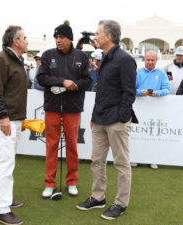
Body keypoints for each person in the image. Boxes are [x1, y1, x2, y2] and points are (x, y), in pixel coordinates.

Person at [77, 20, 138, 220]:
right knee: (96, 160)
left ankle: (120, 203)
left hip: (117, 120)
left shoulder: (125, 59)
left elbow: (129, 92)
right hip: (100, 118)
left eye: (97, 33)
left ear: (109, 36)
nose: (95, 37)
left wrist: (122, 117)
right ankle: (98, 197)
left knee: (121, 163)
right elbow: (101, 90)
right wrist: (94, 116)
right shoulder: (104, 58)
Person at [37, 23, 92, 198]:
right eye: (56, 38)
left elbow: (88, 80)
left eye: (61, 37)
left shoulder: (82, 56)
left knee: (72, 145)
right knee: (51, 145)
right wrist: (62, 81)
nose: (58, 40)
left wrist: (74, 85)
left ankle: (72, 182)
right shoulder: (48, 55)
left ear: (70, 39)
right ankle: (49, 183)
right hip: (52, 106)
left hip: (72, 107)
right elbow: (41, 77)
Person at [0, 25, 28, 225]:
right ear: (15, 41)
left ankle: (1, 198)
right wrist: (3, 117)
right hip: (5, 119)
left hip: (14, 119)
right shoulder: (0, 59)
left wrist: (19, 119)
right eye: (25, 38)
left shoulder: (16, 60)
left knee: (6, 161)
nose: (27, 41)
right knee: (6, 162)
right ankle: (1, 210)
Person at [133, 50, 171, 169]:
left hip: (156, 109)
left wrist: (157, 93)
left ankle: (153, 159)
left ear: (156, 60)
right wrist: (140, 92)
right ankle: (136, 158)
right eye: (148, 59)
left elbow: (167, 89)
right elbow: (131, 89)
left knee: (153, 133)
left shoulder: (162, 73)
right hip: (139, 109)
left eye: (152, 60)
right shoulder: (137, 72)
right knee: (138, 133)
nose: (150, 62)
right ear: (144, 60)